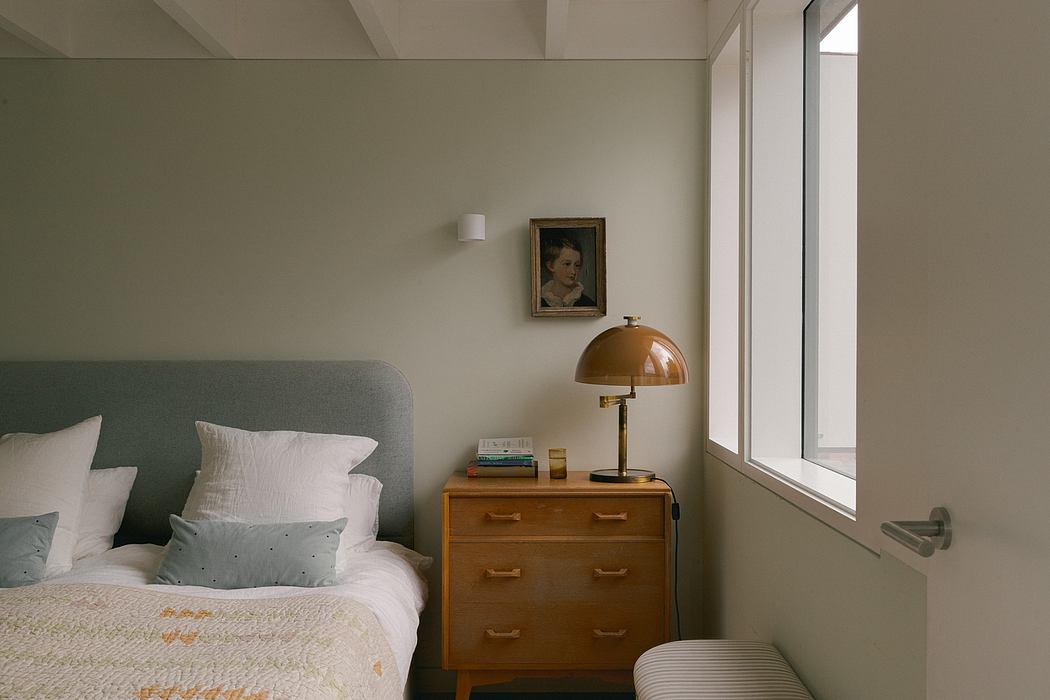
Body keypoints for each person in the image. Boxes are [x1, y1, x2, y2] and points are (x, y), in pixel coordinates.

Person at [539, 237, 596, 307]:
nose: (573, 271)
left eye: (577, 265)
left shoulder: (588, 304)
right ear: (551, 266)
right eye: (567, 264)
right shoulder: (540, 301)